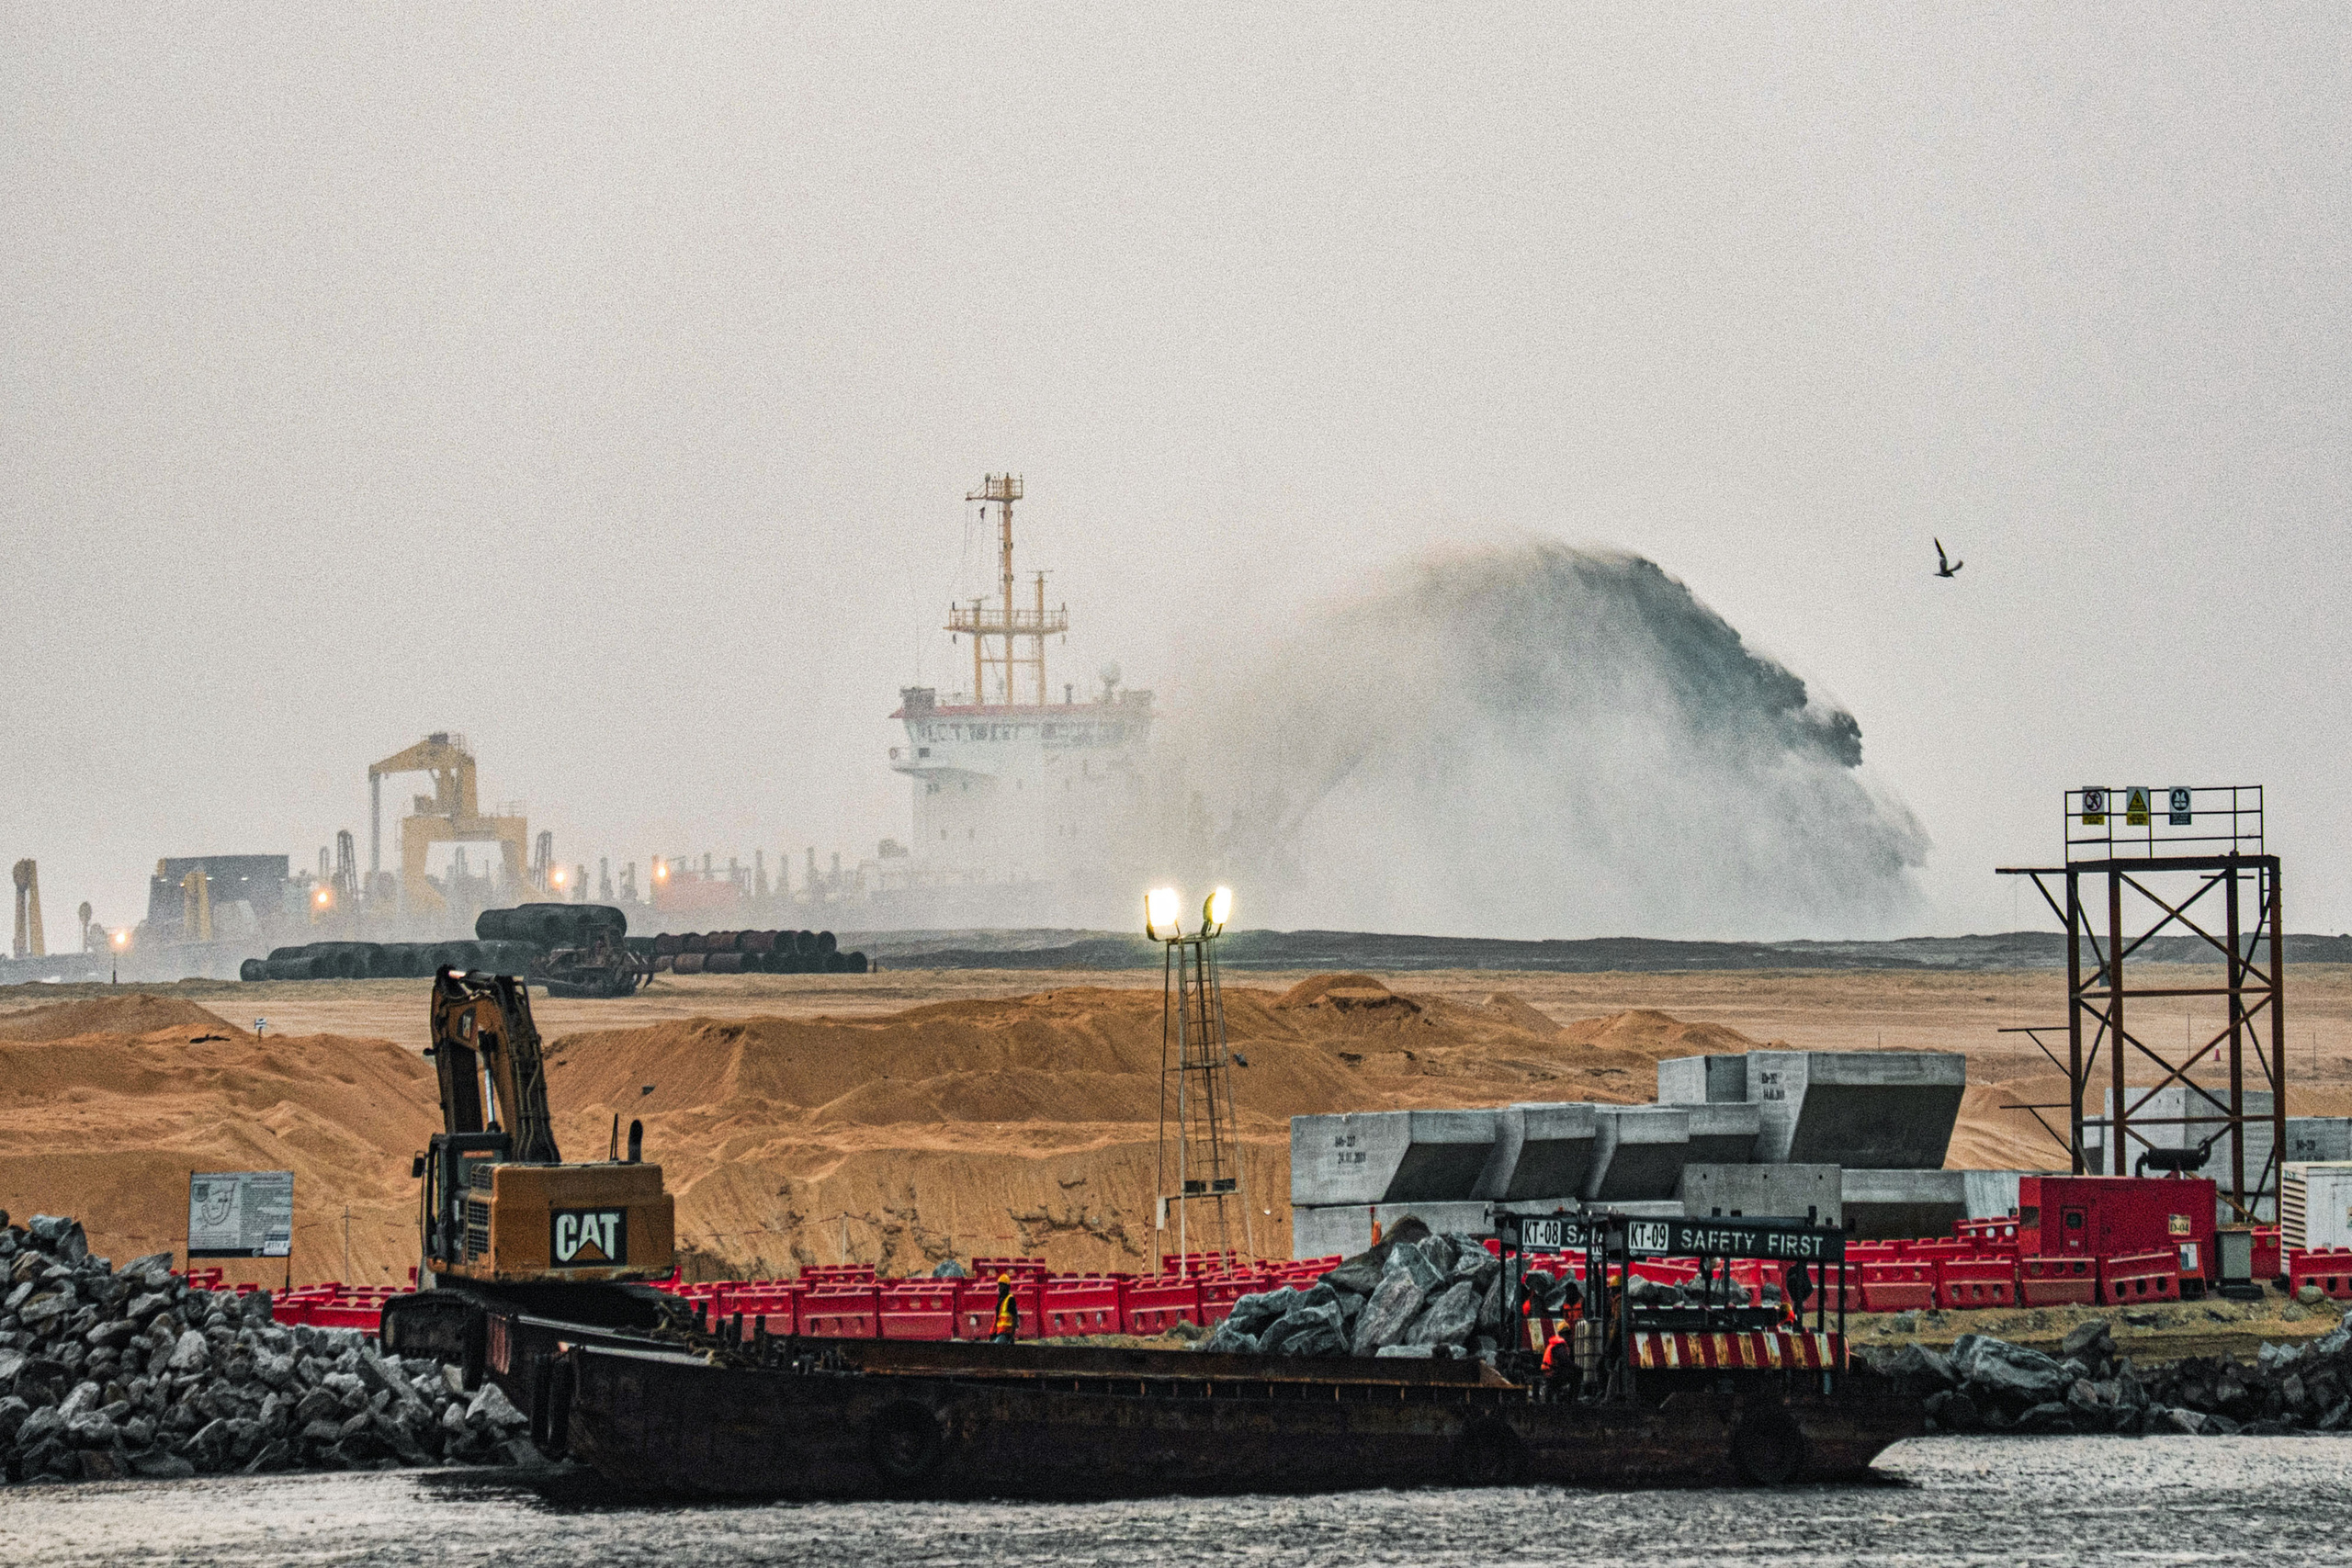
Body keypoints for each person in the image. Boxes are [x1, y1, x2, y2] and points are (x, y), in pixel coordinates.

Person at [989, 1270, 1018, 1344]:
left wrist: (1012, 1336)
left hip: (1006, 1333)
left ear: (1007, 1287)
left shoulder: (1010, 1299)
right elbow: (997, 1318)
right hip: (999, 1332)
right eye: (999, 1285)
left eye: (1002, 1285)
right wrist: (993, 1332)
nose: (1000, 1288)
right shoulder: (1001, 1300)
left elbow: (1015, 1317)